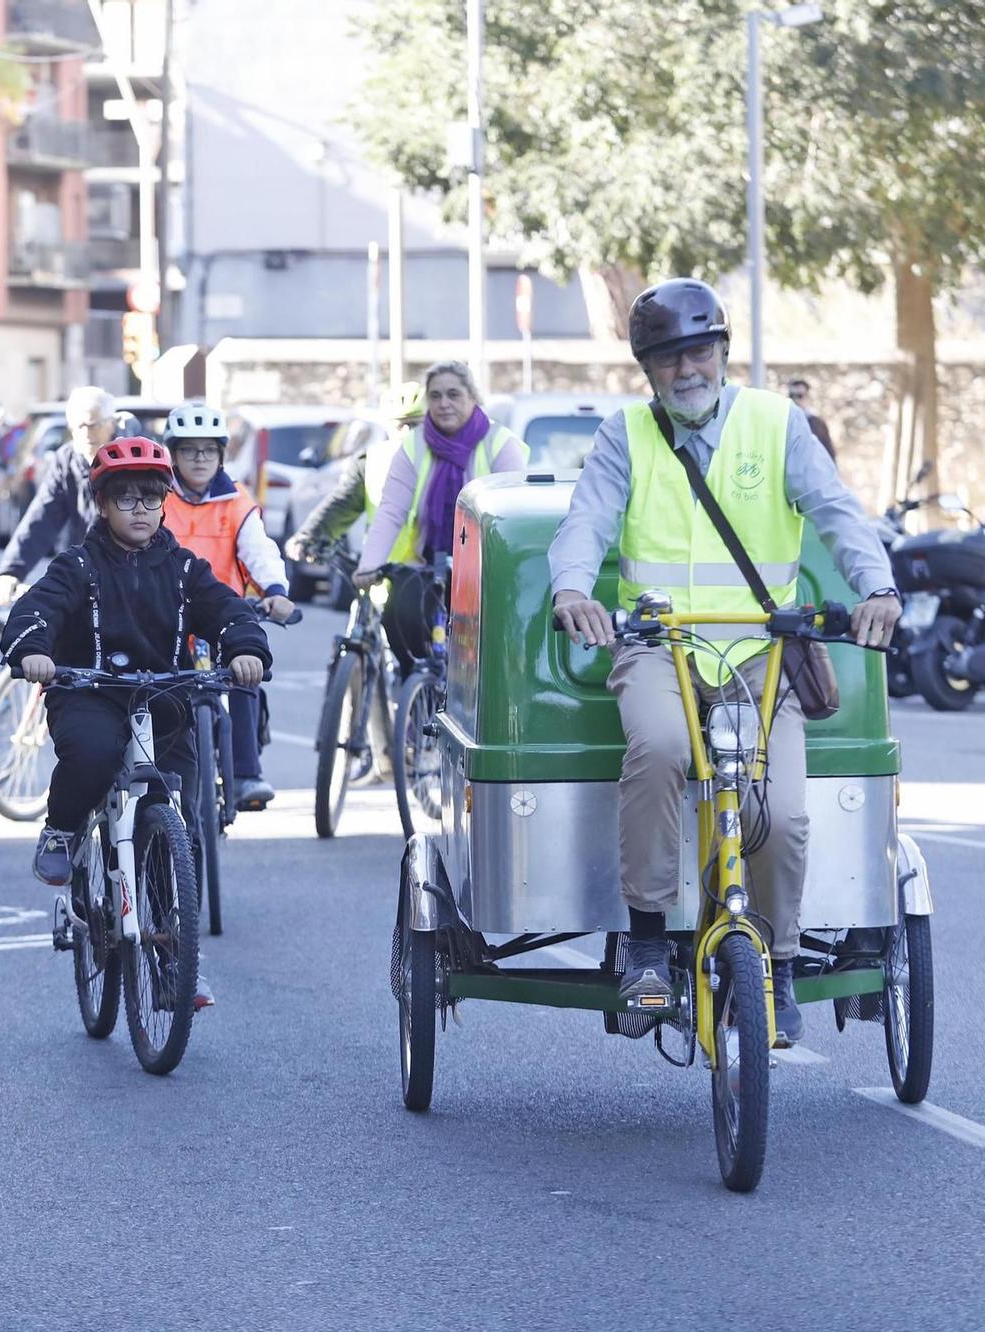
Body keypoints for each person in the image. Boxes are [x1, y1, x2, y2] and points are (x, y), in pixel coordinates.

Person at [549, 279, 900, 1043]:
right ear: (647, 370)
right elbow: (586, 521)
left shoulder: (778, 424)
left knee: (786, 811)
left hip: (758, 658)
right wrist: (574, 589)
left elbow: (838, 511)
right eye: (668, 359)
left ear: (723, 353)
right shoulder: (626, 434)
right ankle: (645, 941)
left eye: (698, 352)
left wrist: (878, 587)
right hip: (658, 647)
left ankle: (773, 965)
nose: (686, 370)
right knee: (662, 748)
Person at [1, 437, 272, 1011]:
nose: (141, 510)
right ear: (102, 504)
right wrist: (33, 648)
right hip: (90, 693)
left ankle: (178, 963)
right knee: (95, 755)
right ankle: (63, 830)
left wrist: (245, 647)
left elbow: (226, 609)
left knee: (183, 823)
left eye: (151, 498)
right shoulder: (78, 565)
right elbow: (36, 608)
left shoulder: (183, 568)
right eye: (126, 499)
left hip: (164, 697)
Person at [159, 406, 297, 809]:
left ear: (221, 455)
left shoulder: (237, 502)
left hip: (222, 617)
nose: (199, 459)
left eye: (208, 450)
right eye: (189, 451)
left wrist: (275, 590)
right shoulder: (159, 499)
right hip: (168, 619)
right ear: (173, 455)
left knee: (245, 670)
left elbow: (259, 551)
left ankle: (245, 774)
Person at [354, 363, 528, 665]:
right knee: (399, 612)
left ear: (472, 397)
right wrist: (369, 564)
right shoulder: (414, 445)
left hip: (484, 567)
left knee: (484, 646)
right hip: (428, 561)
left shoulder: (499, 443)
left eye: (453, 394)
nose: (443, 404)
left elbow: (515, 518)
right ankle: (415, 688)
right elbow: (391, 511)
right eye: (435, 396)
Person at [0, 385, 114, 606]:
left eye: (93, 425)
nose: (86, 433)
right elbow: (42, 517)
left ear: (111, 424)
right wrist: (10, 571)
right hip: (86, 576)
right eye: (79, 426)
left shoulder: (133, 459)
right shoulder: (67, 460)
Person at [284, 380, 425, 569]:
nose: (408, 433)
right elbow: (342, 503)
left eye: (416, 425)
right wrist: (309, 535)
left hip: (441, 581)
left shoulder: (451, 460)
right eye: (401, 425)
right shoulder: (372, 460)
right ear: (388, 427)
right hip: (382, 579)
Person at [786, 378, 836, 460]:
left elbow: (829, 454)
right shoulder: (784, 422)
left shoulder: (819, 424)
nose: (796, 400)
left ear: (807, 397)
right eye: (792, 396)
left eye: (800, 396)